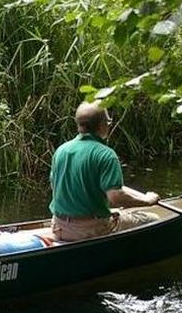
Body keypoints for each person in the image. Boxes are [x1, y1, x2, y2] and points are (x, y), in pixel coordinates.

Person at [49, 102, 161, 242]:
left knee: (116, 213)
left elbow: (54, 185)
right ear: (102, 125)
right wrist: (148, 201)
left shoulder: (61, 150)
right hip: (91, 230)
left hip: (59, 227)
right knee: (152, 219)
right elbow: (115, 197)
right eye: (108, 121)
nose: (109, 125)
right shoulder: (106, 155)